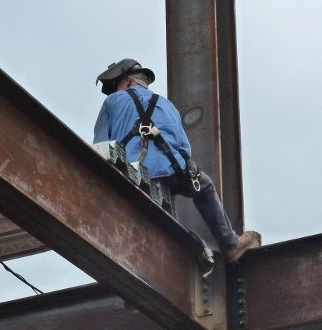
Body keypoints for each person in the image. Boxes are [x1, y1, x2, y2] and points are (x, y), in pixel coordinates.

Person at [93, 59, 261, 263]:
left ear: (127, 82)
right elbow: (184, 147)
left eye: (116, 86)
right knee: (205, 187)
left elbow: (100, 147)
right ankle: (231, 244)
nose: (114, 91)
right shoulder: (167, 105)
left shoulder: (112, 102)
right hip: (173, 171)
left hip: (133, 171)